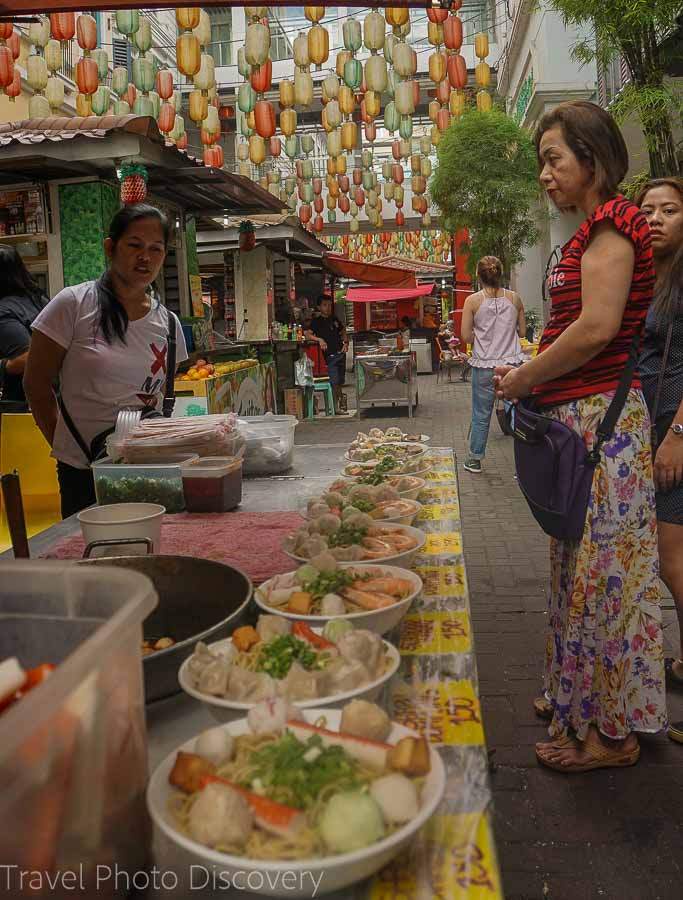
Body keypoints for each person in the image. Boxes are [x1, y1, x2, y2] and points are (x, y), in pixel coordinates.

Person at [494, 100, 666, 771]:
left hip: (605, 432)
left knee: (607, 581)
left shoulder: (615, 224)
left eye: (553, 160)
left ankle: (611, 736)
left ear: (590, 160)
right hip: (583, 426)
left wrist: (523, 377)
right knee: (582, 577)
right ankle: (579, 702)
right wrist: (535, 371)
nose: (544, 175)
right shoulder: (589, 229)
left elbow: (596, 330)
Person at [24, 204, 188, 519]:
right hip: (83, 470)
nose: (146, 257)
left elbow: (164, 395)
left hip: (146, 466)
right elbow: (35, 383)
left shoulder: (168, 324)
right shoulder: (72, 305)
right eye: (134, 245)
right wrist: (68, 446)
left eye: (156, 249)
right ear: (110, 247)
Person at [636, 177, 683, 745]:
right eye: (647, 210)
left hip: (673, 432)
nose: (656, 219)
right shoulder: (646, 277)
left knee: (674, 563)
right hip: (645, 430)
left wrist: (677, 434)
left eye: (669, 210)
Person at [460, 256, 526, 473]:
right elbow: (523, 332)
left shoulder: (472, 301)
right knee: (517, 413)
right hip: (512, 365)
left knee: (481, 414)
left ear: (479, 276)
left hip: (484, 366)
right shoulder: (515, 298)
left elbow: (466, 337)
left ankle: (474, 459)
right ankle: (526, 465)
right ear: (501, 274)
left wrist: (483, 336)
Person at [0, 247, 47, 410]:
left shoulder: (4, 310)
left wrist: (3, 366)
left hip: (24, 404)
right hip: (53, 396)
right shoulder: (38, 300)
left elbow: (26, 358)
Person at [305, 295, 348, 413]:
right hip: (329, 357)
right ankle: (336, 407)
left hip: (340, 353)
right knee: (334, 382)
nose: (328, 308)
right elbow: (307, 334)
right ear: (319, 307)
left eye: (329, 305)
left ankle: (340, 403)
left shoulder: (334, 319)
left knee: (339, 381)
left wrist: (345, 343)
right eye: (325, 305)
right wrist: (319, 339)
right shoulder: (316, 322)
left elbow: (343, 331)